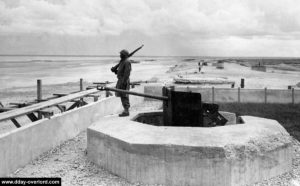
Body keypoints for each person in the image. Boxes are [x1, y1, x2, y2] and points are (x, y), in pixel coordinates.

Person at [115, 49, 132, 117]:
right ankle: (125, 109)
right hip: (120, 80)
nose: (120, 55)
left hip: (124, 80)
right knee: (122, 95)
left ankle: (126, 110)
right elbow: (121, 72)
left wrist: (124, 82)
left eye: (121, 54)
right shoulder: (122, 61)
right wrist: (115, 71)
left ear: (124, 55)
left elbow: (127, 73)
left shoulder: (127, 62)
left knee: (124, 95)